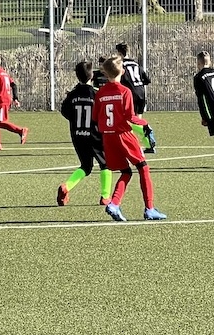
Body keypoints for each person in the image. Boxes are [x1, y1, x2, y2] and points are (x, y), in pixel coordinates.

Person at [94, 54, 165, 221]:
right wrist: (145, 123)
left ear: (105, 73)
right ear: (123, 71)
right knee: (143, 167)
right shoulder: (125, 91)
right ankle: (149, 208)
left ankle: (114, 204)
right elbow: (130, 117)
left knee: (125, 172)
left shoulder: (100, 93)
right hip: (123, 135)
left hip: (107, 138)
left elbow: (96, 118)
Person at [57, 60, 115, 207]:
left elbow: (64, 110)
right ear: (92, 76)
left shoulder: (72, 94)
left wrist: (76, 120)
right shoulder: (97, 94)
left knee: (85, 166)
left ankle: (66, 187)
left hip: (77, 135)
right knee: (106, 164)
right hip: (95, 135)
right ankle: (105, 197)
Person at [115, 42, 157, 153]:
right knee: (137, 120)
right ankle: (148, 144)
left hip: (131, 94)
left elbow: (119, 81)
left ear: (119, 53)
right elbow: (146, 80)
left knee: (129, 121)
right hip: (141, 93)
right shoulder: (136, 65)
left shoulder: (121, 65)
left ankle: (136, 143)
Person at [0, 55, 27, 150]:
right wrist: (15, 98)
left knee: (0, 122)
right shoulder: (4, 73)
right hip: (6, 99)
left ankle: (21, 131)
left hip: (2, 100)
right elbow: (14, 85)